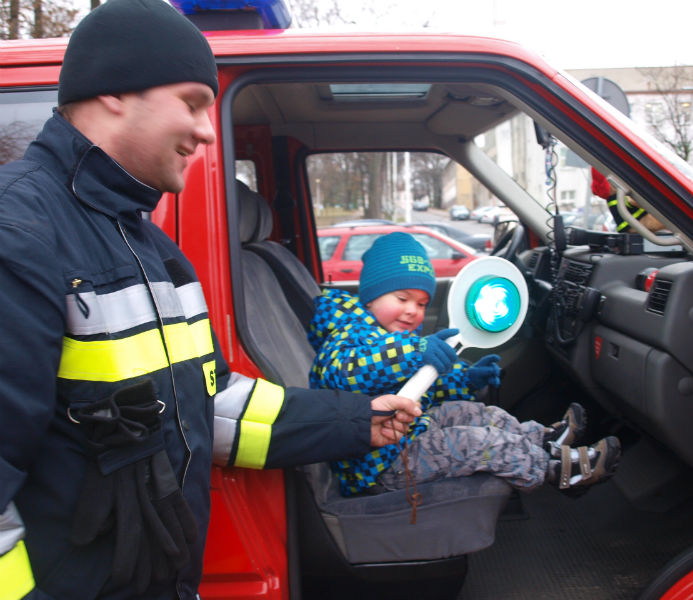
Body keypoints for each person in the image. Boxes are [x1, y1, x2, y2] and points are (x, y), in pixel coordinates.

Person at [0, 2, 421, 599]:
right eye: (193, 102)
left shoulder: (157, 254)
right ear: (113, 90)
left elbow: (213, 405)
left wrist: (356, 420)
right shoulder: (18, 237)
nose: (206, 130)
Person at [308, 232, 621, 498]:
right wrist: (414, 352)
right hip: (376, 465)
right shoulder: (347, 335)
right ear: (370, 297)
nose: (412, 311)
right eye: (402, 299)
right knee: (477, 443)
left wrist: (466, 380)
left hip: (404, 434)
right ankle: (558, 471)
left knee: (478, 413)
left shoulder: (390, 336)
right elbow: (349, 373)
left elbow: (418, 386)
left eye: (421, 303)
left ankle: (542, 440)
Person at [591, 167, 664, 233]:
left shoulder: (614, 196)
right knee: (666, 219)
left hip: (631, 225)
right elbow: (634, 202)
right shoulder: (621, 195)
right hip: (638, 223)